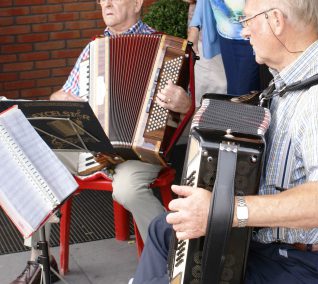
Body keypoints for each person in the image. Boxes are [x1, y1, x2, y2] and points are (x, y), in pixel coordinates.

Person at [133, 0, 318, 283]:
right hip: (273, 247)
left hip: (303, 265)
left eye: (247, 20)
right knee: (162, 229)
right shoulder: (292, 81)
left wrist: (222, 210)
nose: (243, 33)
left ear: (275, 20)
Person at [11, 0, 191, 283]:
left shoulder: (164, 49)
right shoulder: (93, 48)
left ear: (136, 3)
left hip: (137, 151)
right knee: (31, 158)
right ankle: (40, 261)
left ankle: (170, 265)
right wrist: (64, 100)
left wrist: (183, 102)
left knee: (128, 190)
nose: (105, 2)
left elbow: (188, 107)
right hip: (90, 148)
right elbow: (58, 95)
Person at [188, 0, 260, 96]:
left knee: (244, 94)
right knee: (232, 91)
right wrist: (194, 27)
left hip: (250, 39)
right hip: (225, 39)